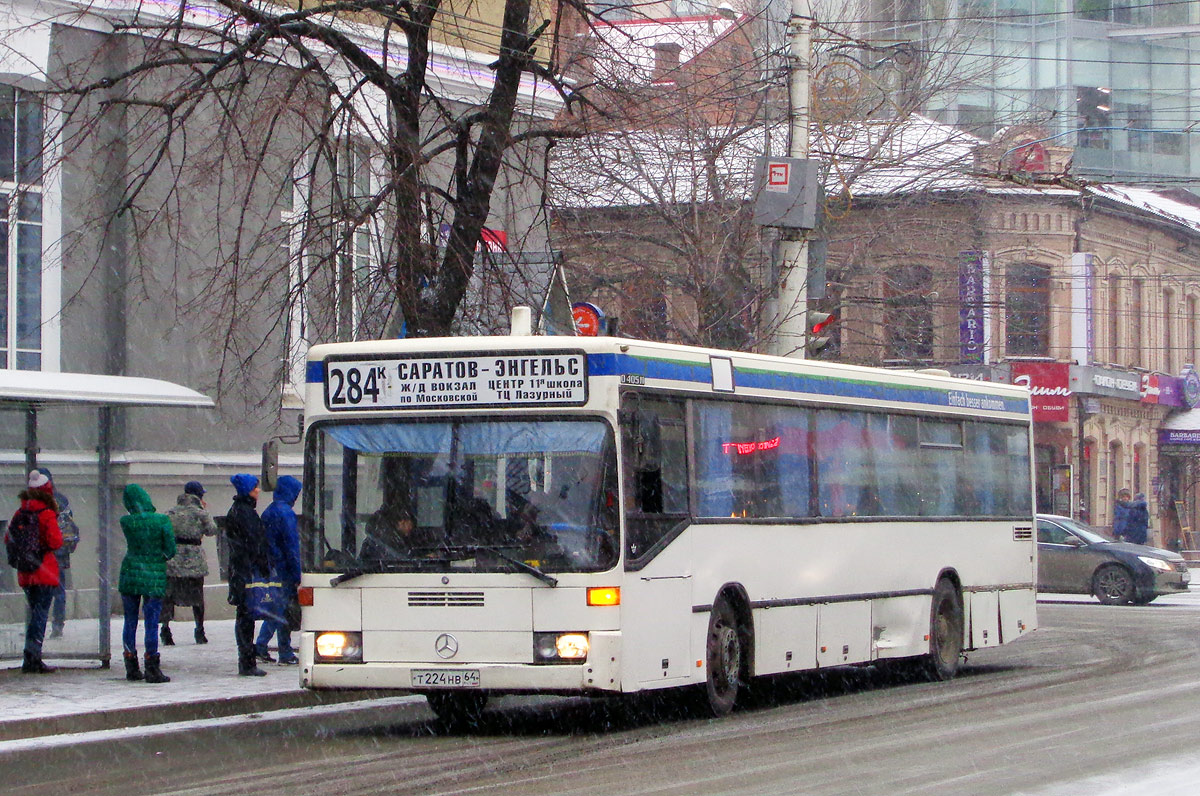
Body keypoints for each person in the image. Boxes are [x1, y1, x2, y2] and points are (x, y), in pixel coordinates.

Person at [118, 483, 175, 683]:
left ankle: (130, 664)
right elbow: (170, 549)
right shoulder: (161, 520)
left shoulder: (126, 521)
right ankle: (152, 665)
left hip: (130, 573)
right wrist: (159, 557)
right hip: (153, 574)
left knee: (130, 620)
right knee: (151, 622)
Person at [7, 470, 63, 674]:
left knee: (34, 614)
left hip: (25, 572)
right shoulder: (46, 513)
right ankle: (33, 657)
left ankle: (30, 656)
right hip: (44, 571)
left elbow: (9, 539)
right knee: (40, 615)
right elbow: (55, 541)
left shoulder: (20, 512)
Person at [162, 481, 219, 645]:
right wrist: (204, 511)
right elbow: (212, 530)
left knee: (169, 596)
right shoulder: (200, 513)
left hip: (174, 557)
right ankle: (199, 630)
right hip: (194, 557)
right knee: (197, 596)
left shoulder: (171, 512)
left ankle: (165, 629)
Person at [255, 475, 301, 666]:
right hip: (284, 570)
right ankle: (283, 651)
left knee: (276, 609)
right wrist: (297, 573)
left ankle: (264, 647)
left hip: (272, 567)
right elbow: (292, 546)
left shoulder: (269, 511)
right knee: (282, 611)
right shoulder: (286, 514)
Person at [226, 473, 269, 676]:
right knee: (246, 616)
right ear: (247, 491)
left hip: (240, 570)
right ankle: (247, 662)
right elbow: (255, 543)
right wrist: (263, 566)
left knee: (244, 615)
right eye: (255, 487)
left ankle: (247, 659)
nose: (258, 490)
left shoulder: (238, 511)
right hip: (247, 572)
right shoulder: (245, 513)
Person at [37, 468, 79, 640]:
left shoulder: (38, 500)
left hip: (44, 551)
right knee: (59, 589)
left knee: (40, 589)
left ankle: (38, 623)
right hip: (60, 551)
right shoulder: (61, 499)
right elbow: (69, 524)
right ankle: (57, 625)